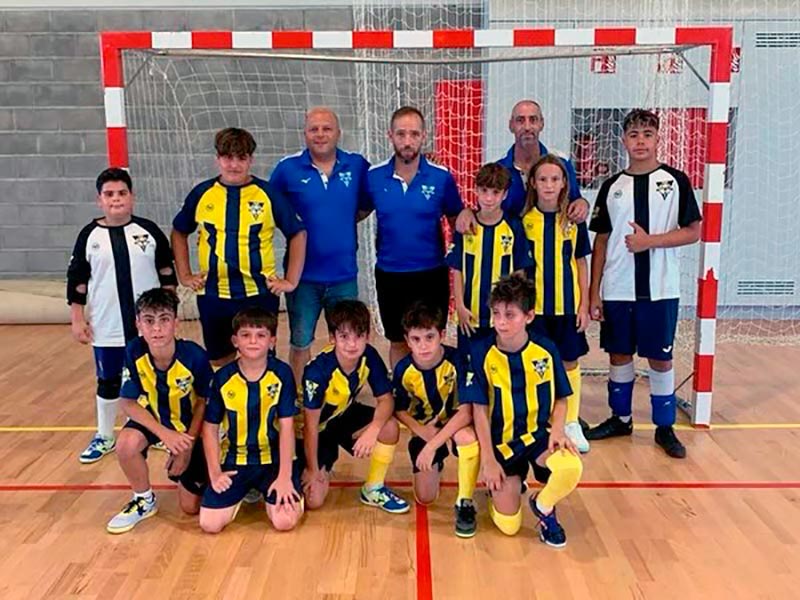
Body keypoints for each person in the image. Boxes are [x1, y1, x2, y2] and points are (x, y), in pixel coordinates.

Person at [587, 109, 702, 459]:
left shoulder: (675, 180)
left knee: (659, 359)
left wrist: (649, 242)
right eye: (633, 134)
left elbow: (693, 231)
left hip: (661, 289)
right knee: (619, 354)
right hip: (618, 288)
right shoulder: (612, 186)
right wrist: (594, 293)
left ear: (657, 139)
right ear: (623, 140)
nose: (640, 140)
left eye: (647, 134)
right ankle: (620, 419)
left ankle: (664, 427)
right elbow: (601, 241)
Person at [461, 275, 583, 548]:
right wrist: (489, 460)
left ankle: (544, 507)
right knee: (509, 526)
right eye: (496, 314)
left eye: (510, 315)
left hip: (537, 437)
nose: (501, 322)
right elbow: (478, 410)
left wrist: (559, 430)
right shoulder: (481, 352)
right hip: (502, 443)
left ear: (529, 316)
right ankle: (503, 490)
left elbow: (562, 397)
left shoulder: (546, 349)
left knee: (571, 465)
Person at [171, 127, 307, 367]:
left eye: (241, 158)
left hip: (258, 295)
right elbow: (179, 231)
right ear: (217, 159)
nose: (234, 165)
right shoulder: (202, 194)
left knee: (260, 358)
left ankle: (263, 404)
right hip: (214, 294)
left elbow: (297, 234)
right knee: (220, 360)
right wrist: (184, 274)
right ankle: (230, 403)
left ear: (250, 160)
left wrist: (291, 280)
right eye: (227, 157)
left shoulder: (268, 194)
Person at [67, 167, 177, 464]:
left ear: (132, 197)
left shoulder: (149, 231)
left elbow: (167, 274)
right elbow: (77, 281)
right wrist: (78, 318)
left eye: (122, 193)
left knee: (155, 377)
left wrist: (167, 316)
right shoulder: (89, 236)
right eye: (109, 194)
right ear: (99, 199)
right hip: (107, 324)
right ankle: (104, 435)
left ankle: (158, 431)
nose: (116, 200)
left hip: (149, 327)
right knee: (109, 380)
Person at [270, 107, 370, 385]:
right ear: (305, 134)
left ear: (338, 132)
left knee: (348, 340)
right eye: (314, 129)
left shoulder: (358, 165)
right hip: (303, 278)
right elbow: (270, 210)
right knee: (301, 341)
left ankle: (344, 393)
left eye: (327, 128)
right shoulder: (287, 169)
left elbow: (368, 202)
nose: (320, 134)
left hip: (343, 277)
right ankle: (300, 398)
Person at [363, 106, 464, 368]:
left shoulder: (441, 178)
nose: (407, 141)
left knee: (430, 340)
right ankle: (399, 397)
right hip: (390, 275)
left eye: (414, 134)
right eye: (401, 134)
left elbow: (458, 221)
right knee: (398, 341)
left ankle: (431, 395)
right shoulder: (373, 177)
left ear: (423, 136)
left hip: (431, 274)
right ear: (390, 135)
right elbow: (353, 213)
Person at [106, 288, 212, 534]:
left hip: (190, 429)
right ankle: (144, 499)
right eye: (149, 321)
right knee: (126, 443)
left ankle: (207, 475)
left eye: (164, 320)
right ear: (138, 324)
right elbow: (128, 403)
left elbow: (204, 402)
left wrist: (186, 447)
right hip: (157, 421)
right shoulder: (134, 352)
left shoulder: (194, 356)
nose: (157, 329)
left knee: (190, 507)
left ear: (175, 323)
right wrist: (165, 435)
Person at [199, 307, 303, 533]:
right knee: (209, 524)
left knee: (284, 522)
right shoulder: (223, 378)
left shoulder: (282, 373)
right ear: (235, 341)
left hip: (274, 461)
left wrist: (284, 476)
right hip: (236, 461)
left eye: (261, 335)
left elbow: (287, 427)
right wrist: (215, 473)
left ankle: (273, 488)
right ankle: (248, 490)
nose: (253, 341)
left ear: (272, 341)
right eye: (246, 335)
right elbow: (209, 429)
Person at [301, 300, 408, 514]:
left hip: (343, 415)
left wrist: (372, 430)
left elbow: (386, 400)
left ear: (368, 336)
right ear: (332, 338)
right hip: (316, 430)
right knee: (313, 501)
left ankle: (373, 488)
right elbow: (309, 427)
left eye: (359, 336)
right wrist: (313, 470)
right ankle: (320, 467)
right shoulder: (318, 372)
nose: (352, 344)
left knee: (389, 427)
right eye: (344, 337)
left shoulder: (369, 355)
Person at [522, 155, 592, 453]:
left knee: (569, 362)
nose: (549, 185)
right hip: (536, 309)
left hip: (567, 307)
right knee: (536, 364)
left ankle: (571, 422)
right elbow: (520, 270)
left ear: (565, 183)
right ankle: (539, 422)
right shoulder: (524, 223)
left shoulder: (573, 223)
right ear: (533, 184)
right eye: (543, 179)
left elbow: (581, 263)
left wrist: (585, 304)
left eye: (555, 179)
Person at [393, 303, 480, 538]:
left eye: (430, 337)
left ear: (442, 335)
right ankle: (437, 464)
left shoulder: (458, 361)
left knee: (467, 437)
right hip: (426, 429)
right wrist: (421, 431)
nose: (424, 345)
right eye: (416, 339)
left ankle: (465, 501)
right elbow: (399, 410)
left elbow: (466, 412)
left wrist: (433, 444)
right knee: (425, 498)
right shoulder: (404, 369)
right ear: (407, 340)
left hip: (455, 425)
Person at [454, 100, 589, 234]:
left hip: (551, 250)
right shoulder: (498, 170)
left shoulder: (561, 165)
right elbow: (485, 211)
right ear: (511, 125)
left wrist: (583, 203)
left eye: (533, 120)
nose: (527, 127)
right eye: (520, 120)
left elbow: (575, 201)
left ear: (542, 123)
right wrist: (468, 212)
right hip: (509, 250)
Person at [447, 162, 532, 357]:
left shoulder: (514, 227)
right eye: (484, 190)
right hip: (470, 316)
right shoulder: (465, 227)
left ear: (504, 194)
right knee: (469, 370)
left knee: (499, 370)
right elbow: (457, 270)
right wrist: (459, 306)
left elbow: (519, 274)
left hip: (502, 320)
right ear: (476, 190)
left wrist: (513, 312)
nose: (488, 198)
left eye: (495, 192)